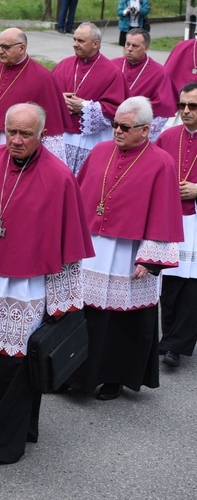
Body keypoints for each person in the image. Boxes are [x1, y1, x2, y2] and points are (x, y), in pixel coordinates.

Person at [0, 103, 93, 470]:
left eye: (25, 134)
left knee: (12, 366)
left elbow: (68, 249)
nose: (15, 140)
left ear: (41, 135)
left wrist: (63, 305)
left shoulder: (60, 178)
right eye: (11, 131)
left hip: (24, 289)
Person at [70, 96, 183, 400]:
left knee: (119, 322)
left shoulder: (161, 163)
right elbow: (79, 198)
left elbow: (164, 215)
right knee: (85, 315)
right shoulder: (100, 151)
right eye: (114, 125)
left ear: (145, 130)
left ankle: (112, 378)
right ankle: (74, 375)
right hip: (93, 248)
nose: (117, 131)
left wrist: (149, 259)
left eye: (125, 126)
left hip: (128, 253)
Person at [0, 28, 70, 162]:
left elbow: (51, 130)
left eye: (5, 47)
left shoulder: (42, 78)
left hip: (16, 144)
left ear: (22, 48)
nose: (0, 51)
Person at [155, 82, 197, 369]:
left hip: (195, 219)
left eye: (193, 106)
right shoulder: (167, 136)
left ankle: (177, 345)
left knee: (191, 285)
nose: (186, 111)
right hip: (170, 218)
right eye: (182, 105)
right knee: (169, 281)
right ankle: (168, 337)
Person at [51, 22, 127, 175]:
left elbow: (117, 109)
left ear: (95, 44)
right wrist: (59, 100)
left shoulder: (112, 72)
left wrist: (85, 107)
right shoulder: (64, 65)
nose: (75, 44)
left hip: (92, 140)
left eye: (80, 41)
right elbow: (47, 95)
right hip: (63, 135)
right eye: (74, 40)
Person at [112, 28, 178, 141]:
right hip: (111, 126)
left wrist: (140, 134)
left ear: (146, 48)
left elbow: (163, 110)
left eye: (135, 46)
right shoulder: (112, 65)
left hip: (137, 129)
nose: (129, 49)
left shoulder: (160, 73)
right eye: (127, 44)